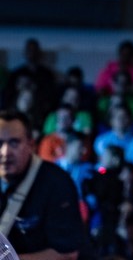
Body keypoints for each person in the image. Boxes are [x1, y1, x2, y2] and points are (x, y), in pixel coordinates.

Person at [0, 108, 95, 260]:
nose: (5, 152)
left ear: (31, 145)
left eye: (14, 143)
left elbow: (68, 253)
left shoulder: (56, 183)